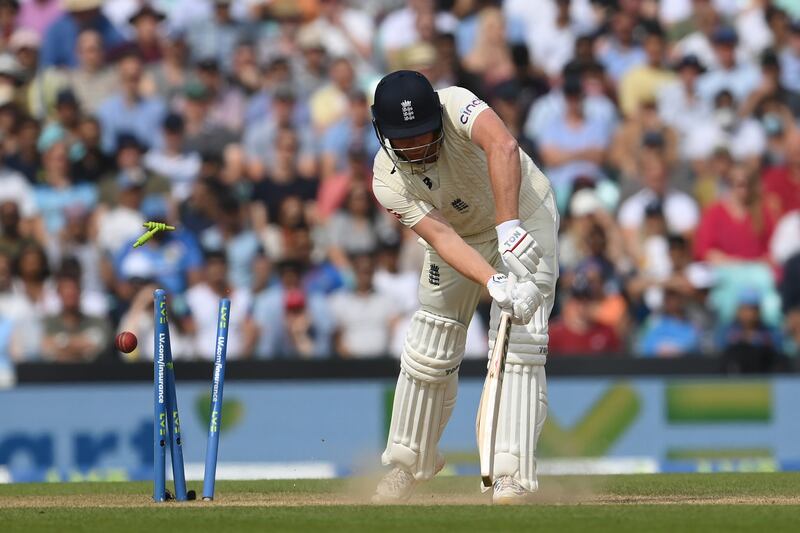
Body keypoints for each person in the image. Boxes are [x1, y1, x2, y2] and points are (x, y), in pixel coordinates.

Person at [370, 71, 558, 503]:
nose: (417, 146)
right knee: (429, 343)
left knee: (519, 344)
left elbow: (503, 145)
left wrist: (508, 225)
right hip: (459, 237)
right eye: (405, 138)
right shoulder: (386, 179)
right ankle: (408, 462)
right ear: (382, 132)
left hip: (523, 216)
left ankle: (508, 473)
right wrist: (493, 281)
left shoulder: (456, 103)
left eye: (423, 133)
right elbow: (442, 239)